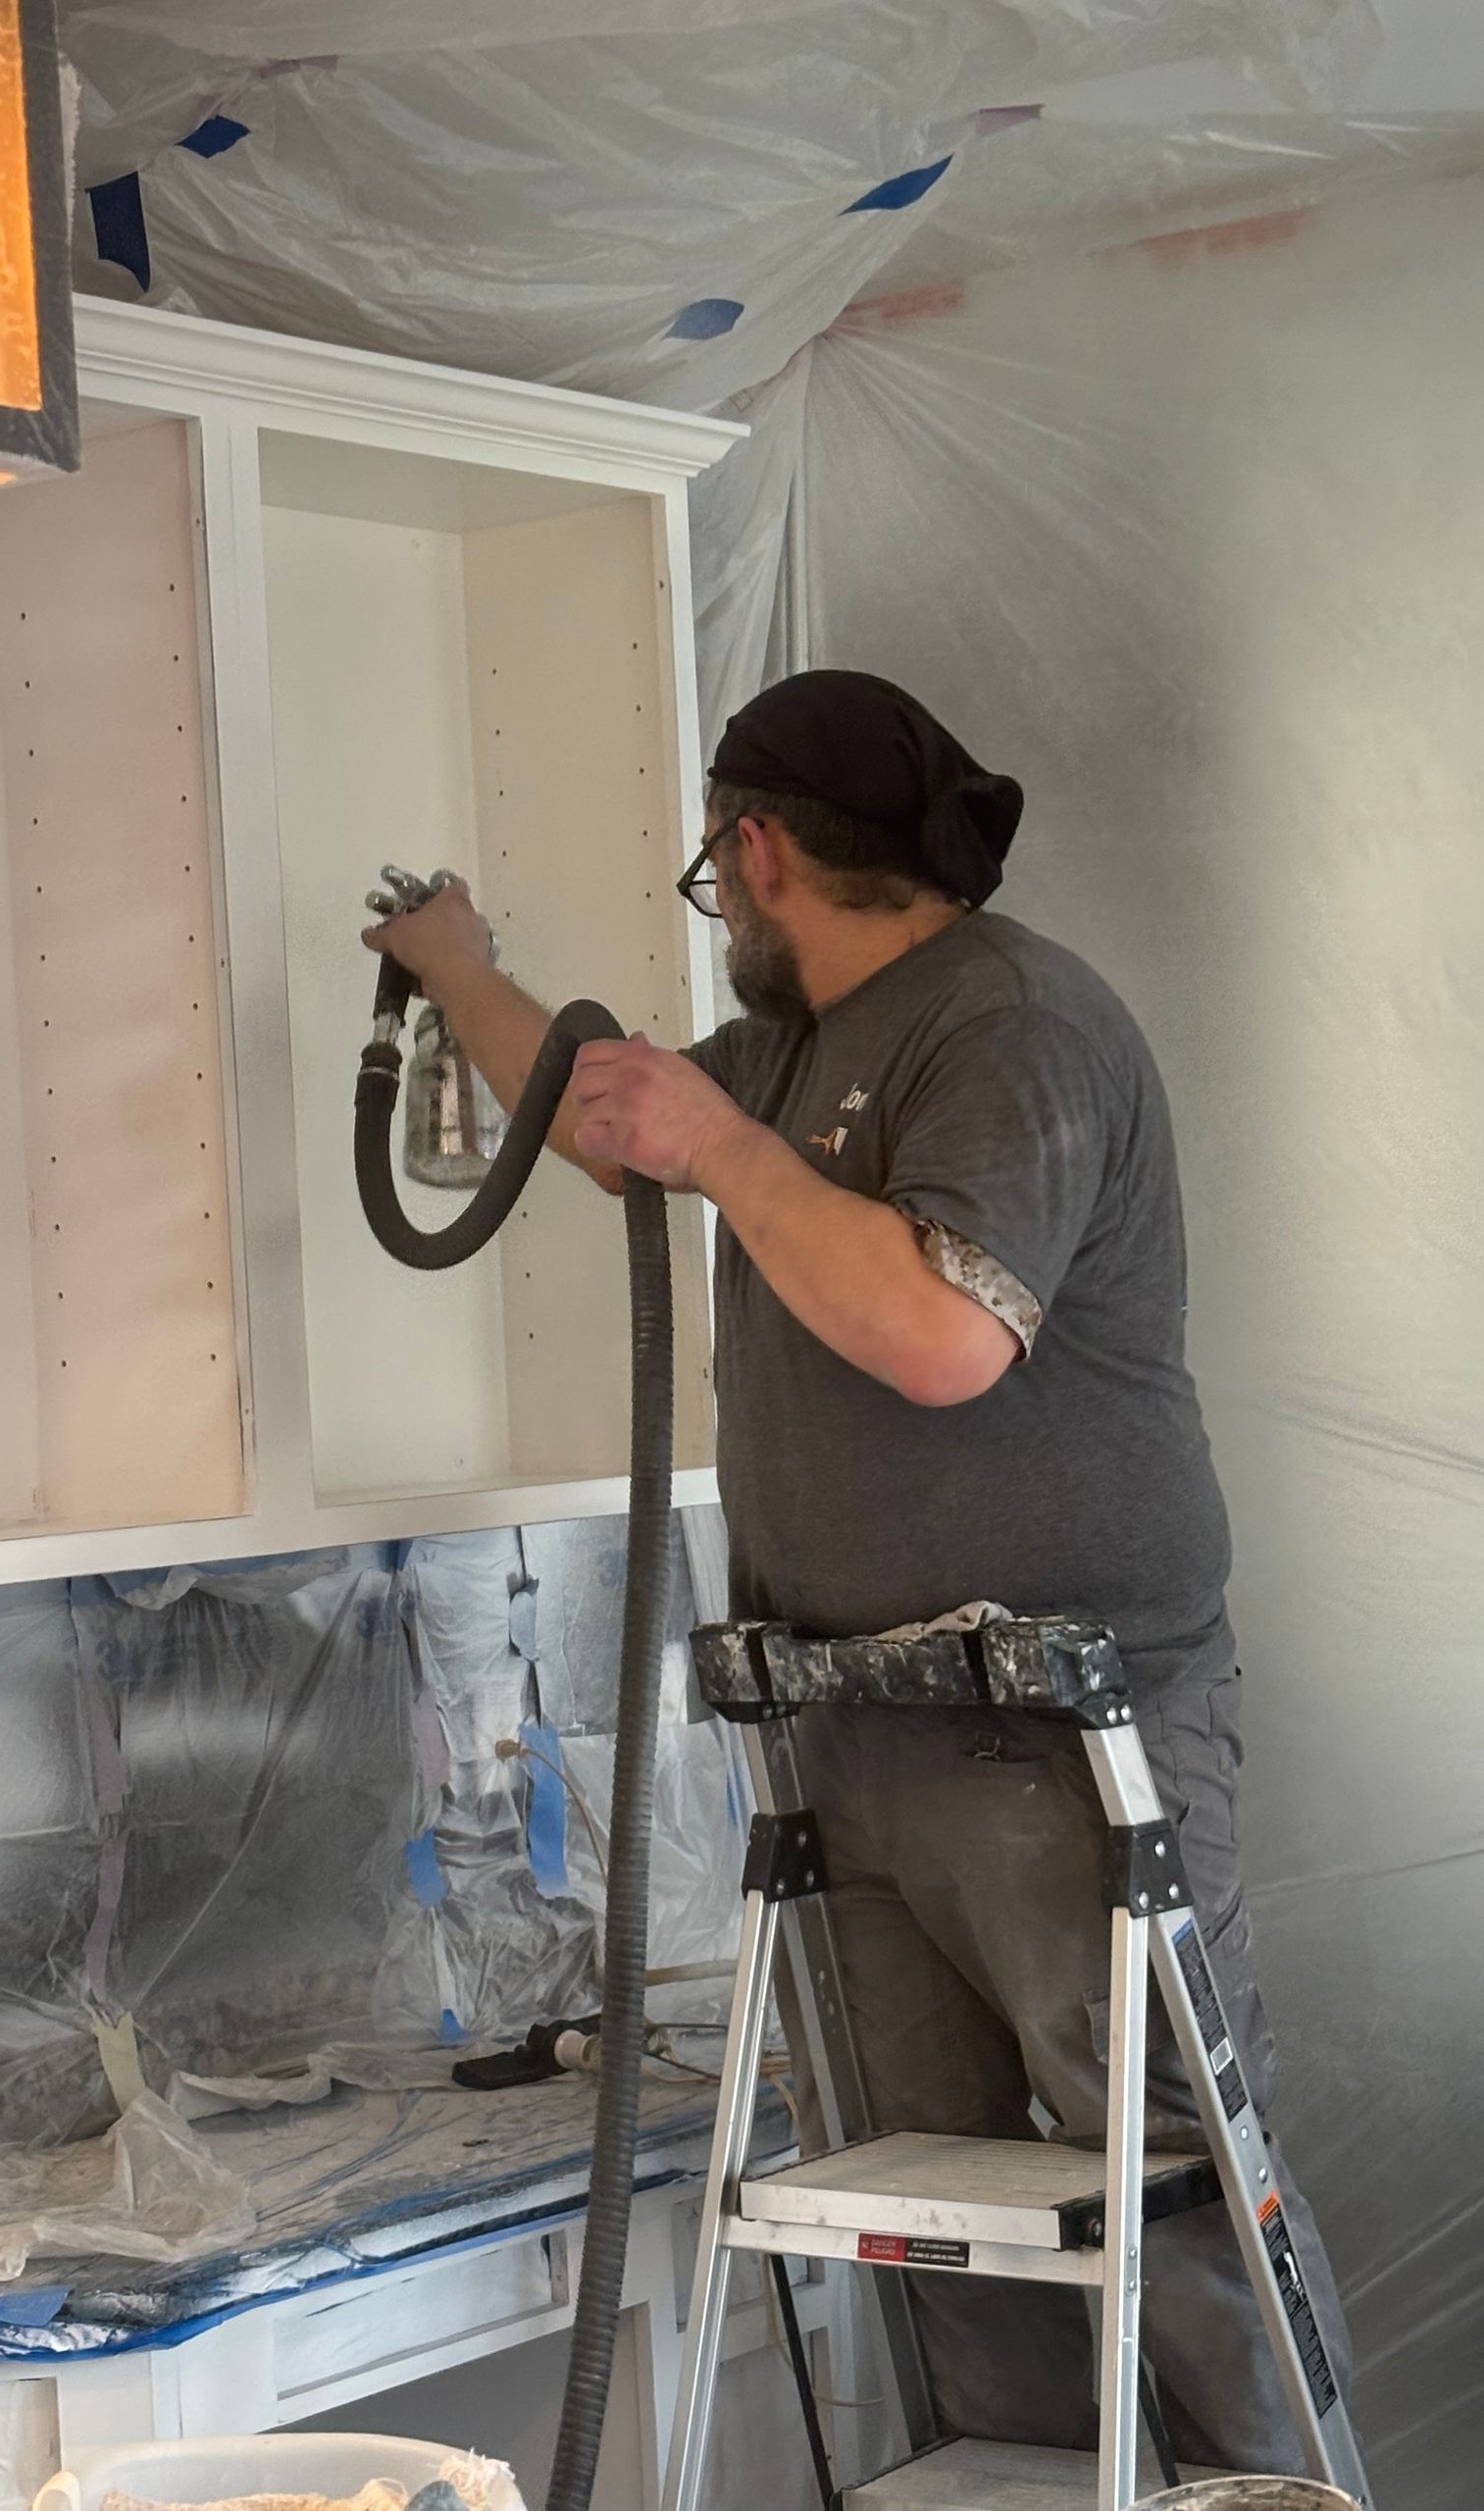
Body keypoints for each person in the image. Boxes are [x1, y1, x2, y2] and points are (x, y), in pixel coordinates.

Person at [362, 668, 1351, 2474]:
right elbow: (600, 1123)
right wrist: (458, 969)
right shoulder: (799, 1045)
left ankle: (1266, 2497)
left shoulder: (1012, 1023)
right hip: (856, 1730)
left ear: (755, 853)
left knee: (1170, 2190)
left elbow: (943, 1336)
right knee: (941, 2226)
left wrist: (724, 1149)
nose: (717, 908)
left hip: (1062, 1741)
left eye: (712, 877)